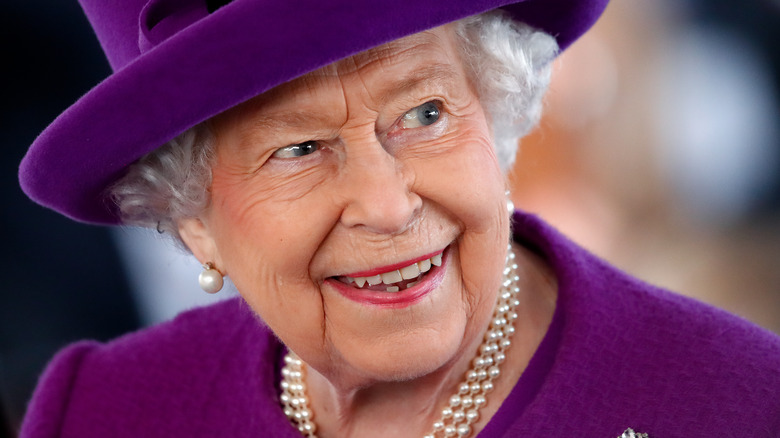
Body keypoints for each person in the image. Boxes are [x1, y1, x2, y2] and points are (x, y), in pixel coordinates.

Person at [17, 0, 780, 437]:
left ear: (496, 114)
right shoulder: (103, 413)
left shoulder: (738, 403)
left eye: (424, 111)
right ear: (193, 220)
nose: (388, 206)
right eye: (301, 148)